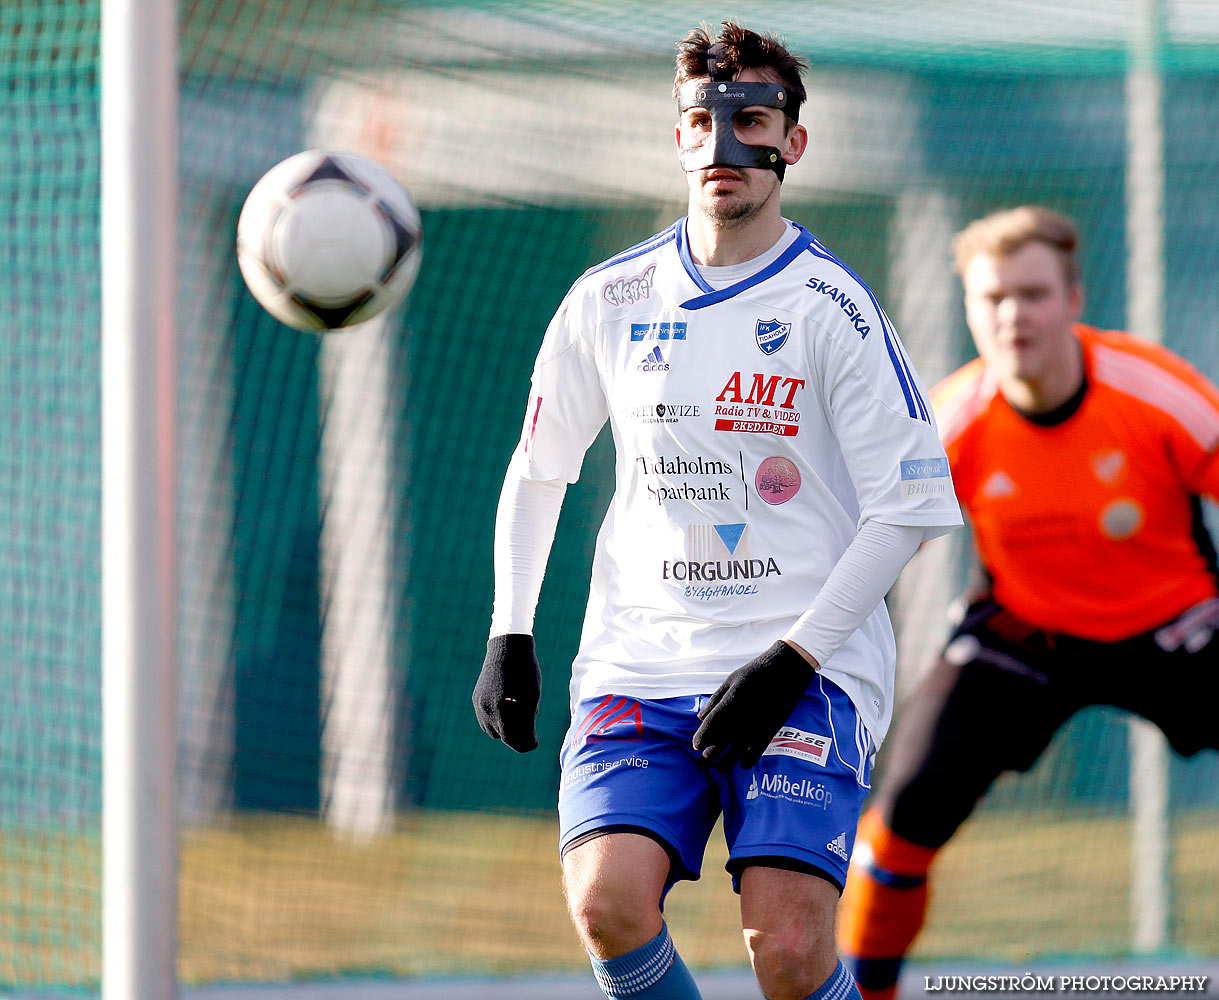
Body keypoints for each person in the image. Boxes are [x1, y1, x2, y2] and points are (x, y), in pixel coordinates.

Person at [472, 21, 961, 1000]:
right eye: (698, 121)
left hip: (804, 670)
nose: (720, 147)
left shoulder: (835, 309)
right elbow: (539, 469)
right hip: (639, 658)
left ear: (793, 142)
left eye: (748, 121)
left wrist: (792, 661)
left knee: (785, 950)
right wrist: (510, 630)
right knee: (607, 900)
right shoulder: (606, 299)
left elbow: (907, 508)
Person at [837, 205, 1219, 1000]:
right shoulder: (950, 423)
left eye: (1033, 293)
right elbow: (861, 557)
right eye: (992, 298)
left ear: (1074, 297)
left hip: (1177, 627)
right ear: (969, 309)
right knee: (897, 822)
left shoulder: (1157, 395)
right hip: (1026, 634)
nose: (1012, 315)